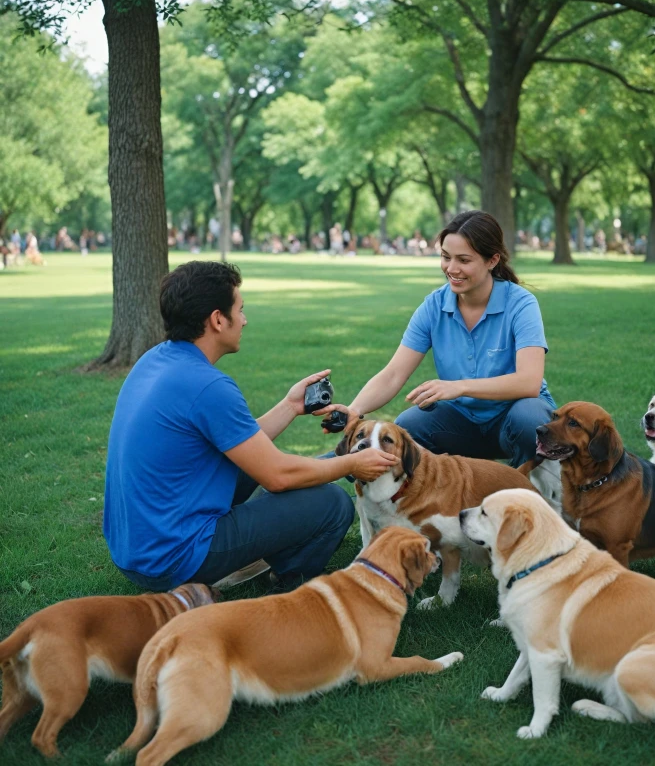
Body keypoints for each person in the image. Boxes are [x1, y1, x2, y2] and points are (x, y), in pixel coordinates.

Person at [104, 261, 398, 593]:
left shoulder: (156, 360)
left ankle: (263, 549)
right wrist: (352, 463)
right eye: (240, 310)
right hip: (170, 559)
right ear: (218, 319)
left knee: (308, 467)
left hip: (134, 550)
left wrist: (290, 406)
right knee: (331, 503)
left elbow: (238, 441)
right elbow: (278, 475)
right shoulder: (207, 386)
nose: (244, 319)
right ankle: (287, 581)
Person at [320, 210, 556, 467]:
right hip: (463, 422)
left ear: (492, 260)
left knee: (529, 419)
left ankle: (529, 496)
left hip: (513, 417)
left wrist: (459, 386)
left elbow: (529, 382)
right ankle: (432, 501)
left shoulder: (520, 303)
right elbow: (393, 374)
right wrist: (354, 411)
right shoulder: (434, 305)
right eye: (445, 257)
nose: (451, 269)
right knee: (409, 426)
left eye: (464, 260)